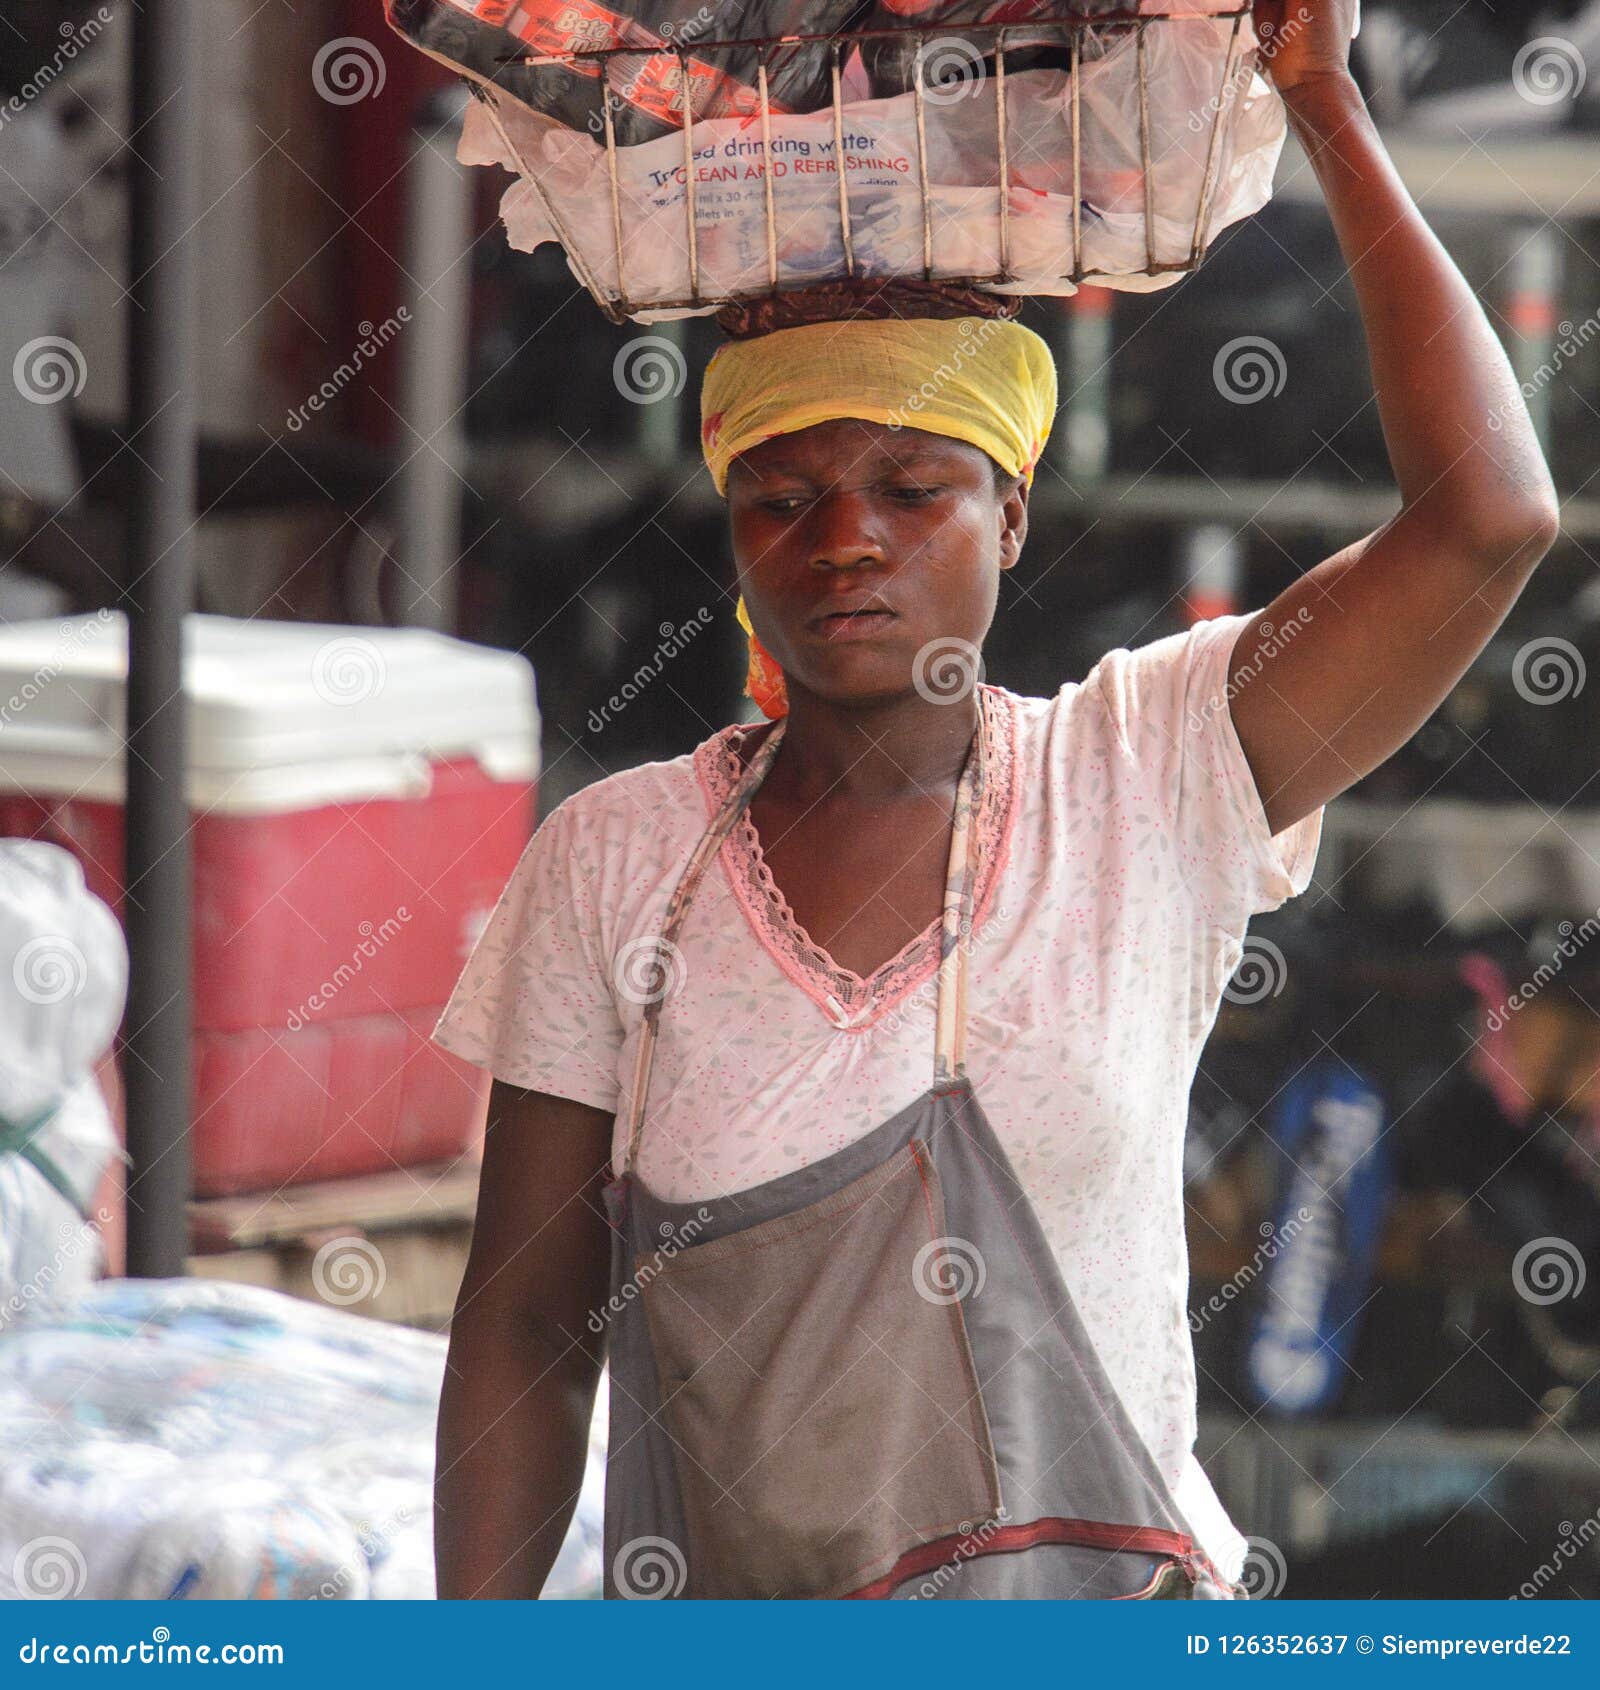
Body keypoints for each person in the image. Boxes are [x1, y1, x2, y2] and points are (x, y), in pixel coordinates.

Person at [429, 0, 1560, 1599]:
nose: (846, 543)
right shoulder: (621, 867)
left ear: (1010, 511)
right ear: (735, 530)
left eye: (912, 489)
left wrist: (1325, 105)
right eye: (784, 498)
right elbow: (530, 1325)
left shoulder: (1148, 771)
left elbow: (1490, 521)